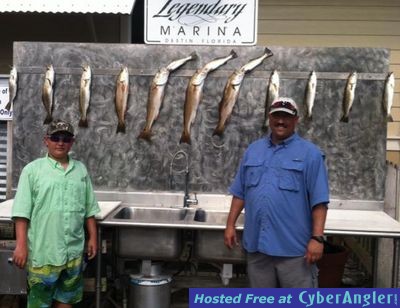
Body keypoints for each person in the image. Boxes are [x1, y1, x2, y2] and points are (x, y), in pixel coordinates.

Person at [224, 97, 329, 288]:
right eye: (276, 116)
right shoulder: (253, 151)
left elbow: (319, 202)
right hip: (257, 247)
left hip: (294, 250)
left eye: (286, 117)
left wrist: (317, 238)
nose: (281, 121)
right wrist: (230, 224)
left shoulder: (311, 154)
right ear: (269, 118)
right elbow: (240, 192)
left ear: (296, 120)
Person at [12, 119, 100, 307]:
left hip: (74, 253)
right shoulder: (32, 171)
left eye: (66, 139)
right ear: (46, 141)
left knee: (66, 299)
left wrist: (93, 237)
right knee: (40, 302)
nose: (60, 142)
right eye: (55, 138)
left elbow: (89, 207)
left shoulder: (81, 170)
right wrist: (21, 245)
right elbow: (22, 212)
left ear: (72, 142)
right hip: (45, 253)